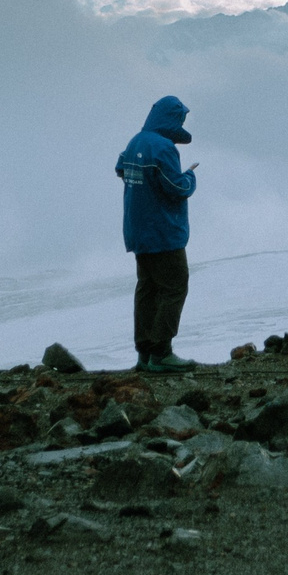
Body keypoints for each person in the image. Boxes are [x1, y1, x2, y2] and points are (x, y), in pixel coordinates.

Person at [116, 95, 200, 373]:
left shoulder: (136, 140)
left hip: (138, 231)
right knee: (174, 286)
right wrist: (189, 177)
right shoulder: (163, 147)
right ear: (171, 119)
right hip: (162, 232)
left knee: (148, 289)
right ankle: (161, 353)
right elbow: (175, 188)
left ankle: (144, 354)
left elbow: (121, 168)